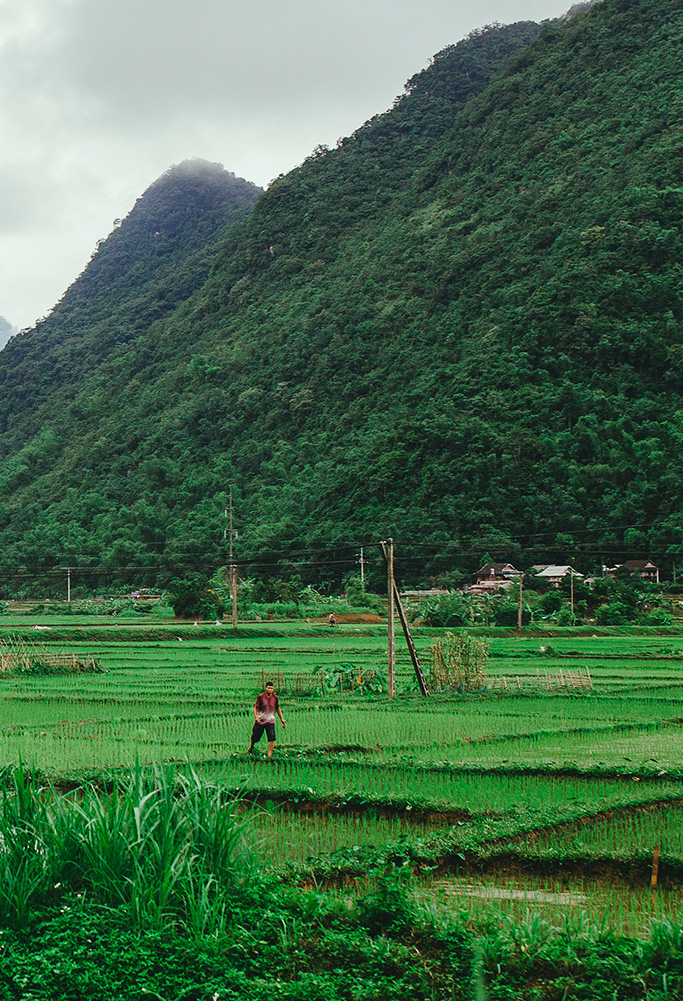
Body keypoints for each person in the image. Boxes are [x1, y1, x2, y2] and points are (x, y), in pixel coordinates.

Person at [248, 681, 286, 757]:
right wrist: (256, 717)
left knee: (272, 737)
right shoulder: (260, 697)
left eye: (271, 688)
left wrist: (282, 719)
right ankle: (251, 747)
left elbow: (277, 708)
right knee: (255, 737)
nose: (270, 690)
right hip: (261, 720)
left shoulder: (275, 698)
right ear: (265, 688)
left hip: (270, 720)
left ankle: (269, 755)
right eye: (268, 688)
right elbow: (256, 707)